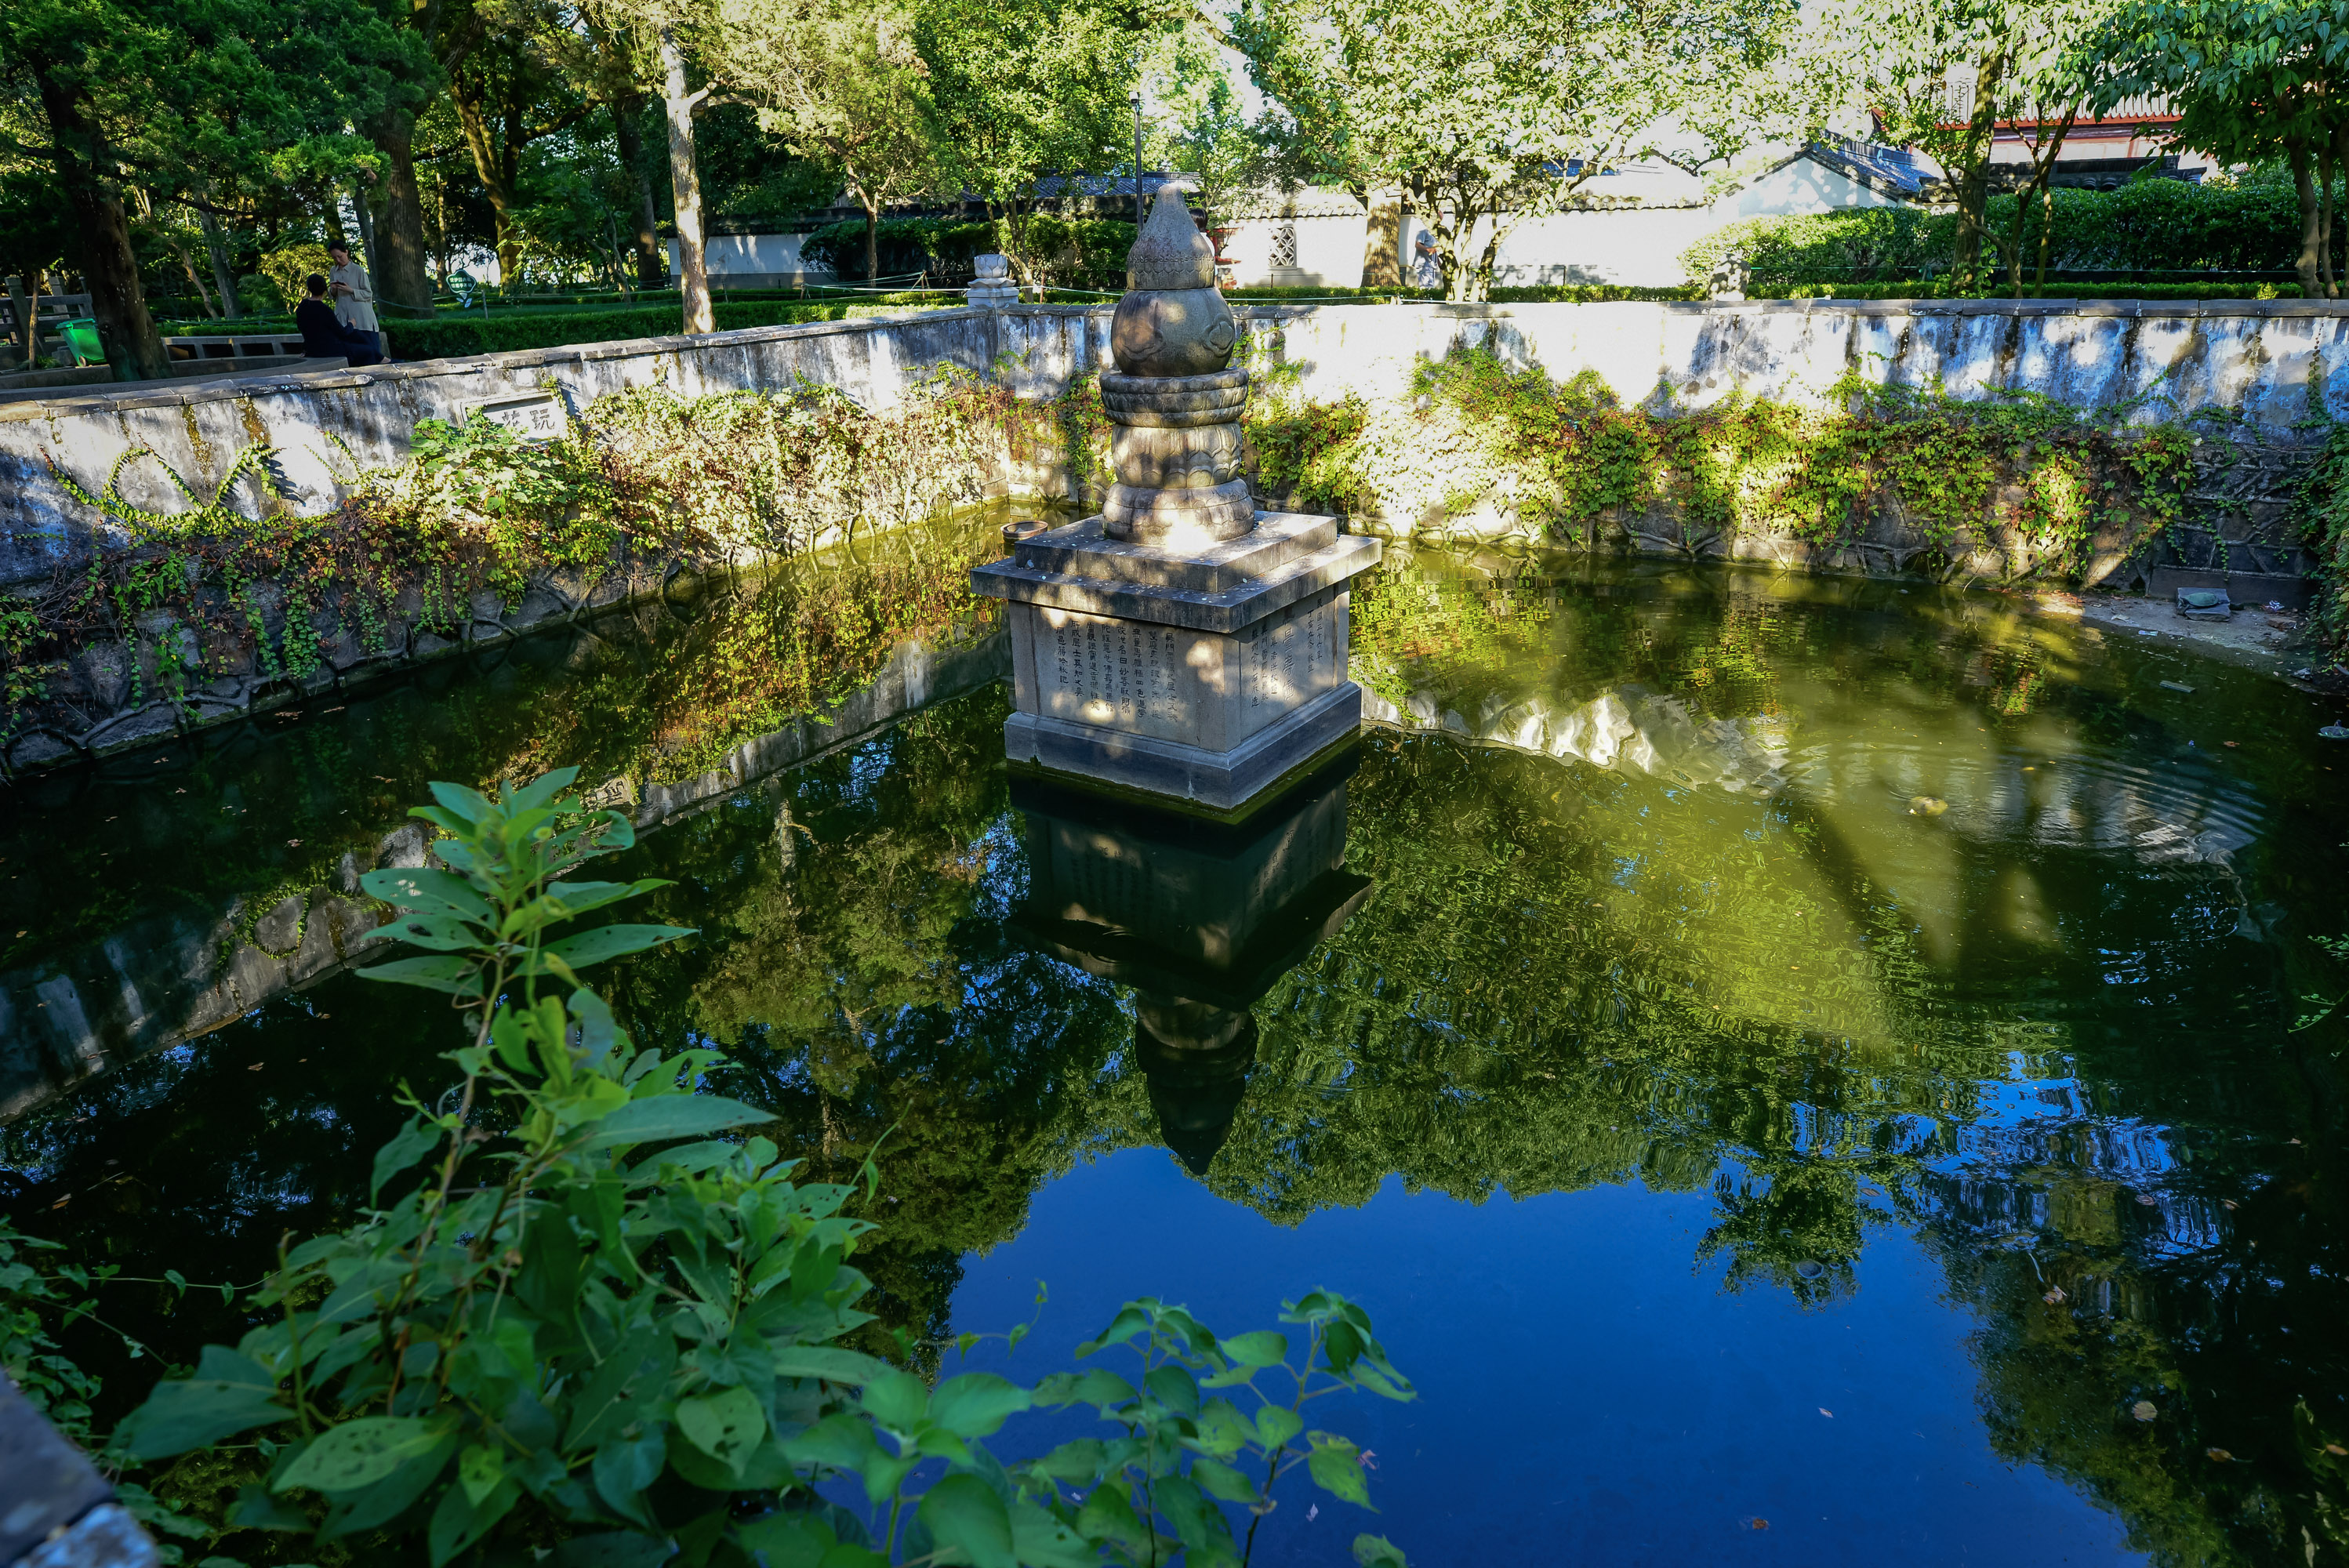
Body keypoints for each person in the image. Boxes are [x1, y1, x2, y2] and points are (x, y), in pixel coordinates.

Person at [294, 274, 382, 366]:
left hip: (312, 348)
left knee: (357, 334)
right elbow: (343, 333)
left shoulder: (302, 306)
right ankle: (373, 373)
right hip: (330, 349)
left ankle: (382, 359)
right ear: (325, 290)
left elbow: (301, 327)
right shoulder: (324, 310)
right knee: (368, 351)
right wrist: (351, 324)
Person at [325, 241, 385, 360]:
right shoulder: (333, 271)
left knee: (372, 354)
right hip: (344, 320)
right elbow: (332, 296)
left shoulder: (358, 270)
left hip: (362, 319)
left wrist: (351, 290)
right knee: (351, 355)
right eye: (334, 258)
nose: (338, 260)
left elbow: (368, 293)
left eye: (340, 256)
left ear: (346, 252)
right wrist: (333, 289)